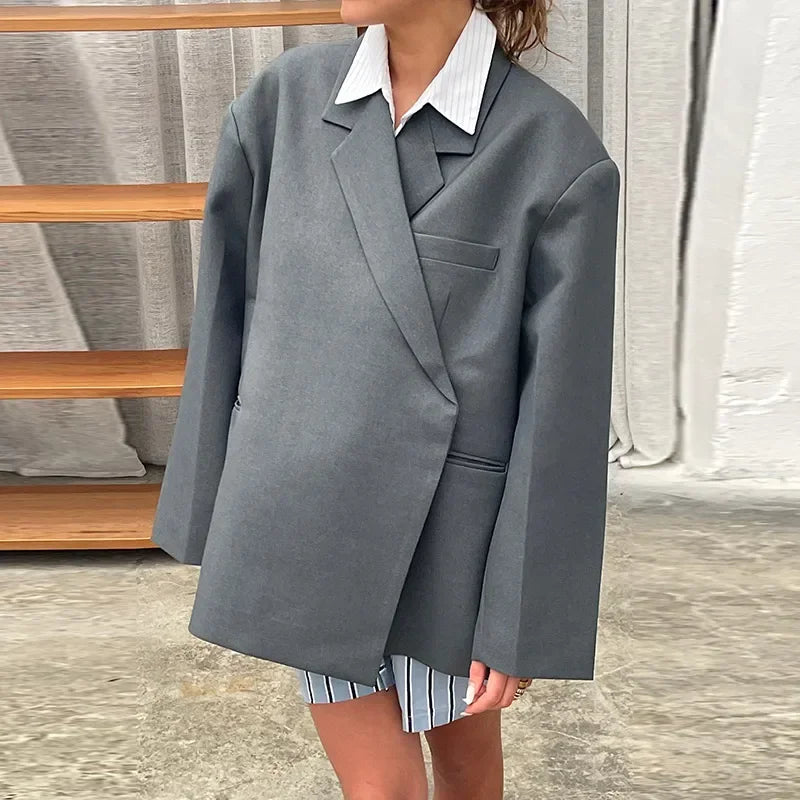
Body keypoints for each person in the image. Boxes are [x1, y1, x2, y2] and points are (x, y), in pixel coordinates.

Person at [152, 1, 621, 797]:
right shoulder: (284, 103)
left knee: (469, 765)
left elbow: (561, 415)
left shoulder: (551, 149)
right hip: (306, 516)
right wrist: (212, 510)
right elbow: (227, 315)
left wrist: (522, 615)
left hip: (449, 538)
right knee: (383, 789)